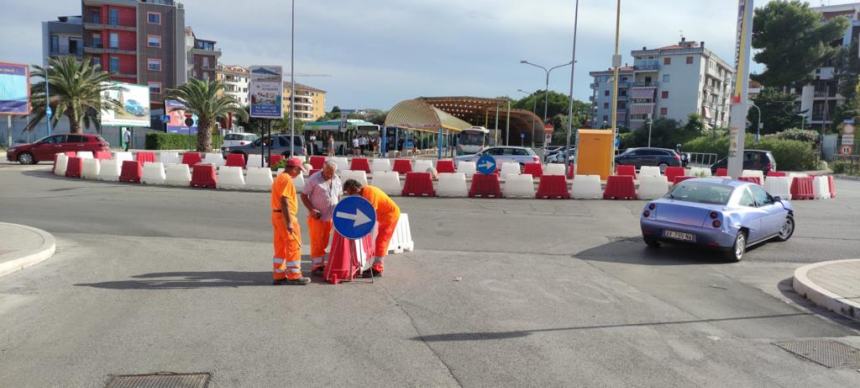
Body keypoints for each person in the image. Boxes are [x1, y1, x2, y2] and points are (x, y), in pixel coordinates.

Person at [342, 179, 401, 277]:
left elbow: (370, 214)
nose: (350, 196)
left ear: (356, 189)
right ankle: (376, 265)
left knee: (382, 241)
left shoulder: (369, 192)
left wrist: (361, 229)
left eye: (351, 193)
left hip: (390, 215)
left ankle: (378, 268)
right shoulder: (363, 193)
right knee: (379, 240)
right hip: (383, 215)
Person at [271, 158, 311, 285]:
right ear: (294, 169)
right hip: (285, 217)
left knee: (280, 245)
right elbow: (285, 201)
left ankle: (279, 274)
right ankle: (294, 275)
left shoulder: (280, 177)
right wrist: (289, 222)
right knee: (293, 244)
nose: (300, 173)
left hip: (277, 215)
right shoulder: (287, 180)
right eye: (299, 170)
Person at [300, 160, 342, 273]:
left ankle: (321, 263)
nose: (329, 174)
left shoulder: (337, 179)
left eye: (332, 172)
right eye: (328, 171)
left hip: (330, 216)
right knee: (317, 241)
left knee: (324, 241)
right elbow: (303, 195)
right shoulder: (314, 179)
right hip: (316, 216)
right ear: (323, 168)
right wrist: (311, 209)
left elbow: (338, 196)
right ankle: (316, 266)